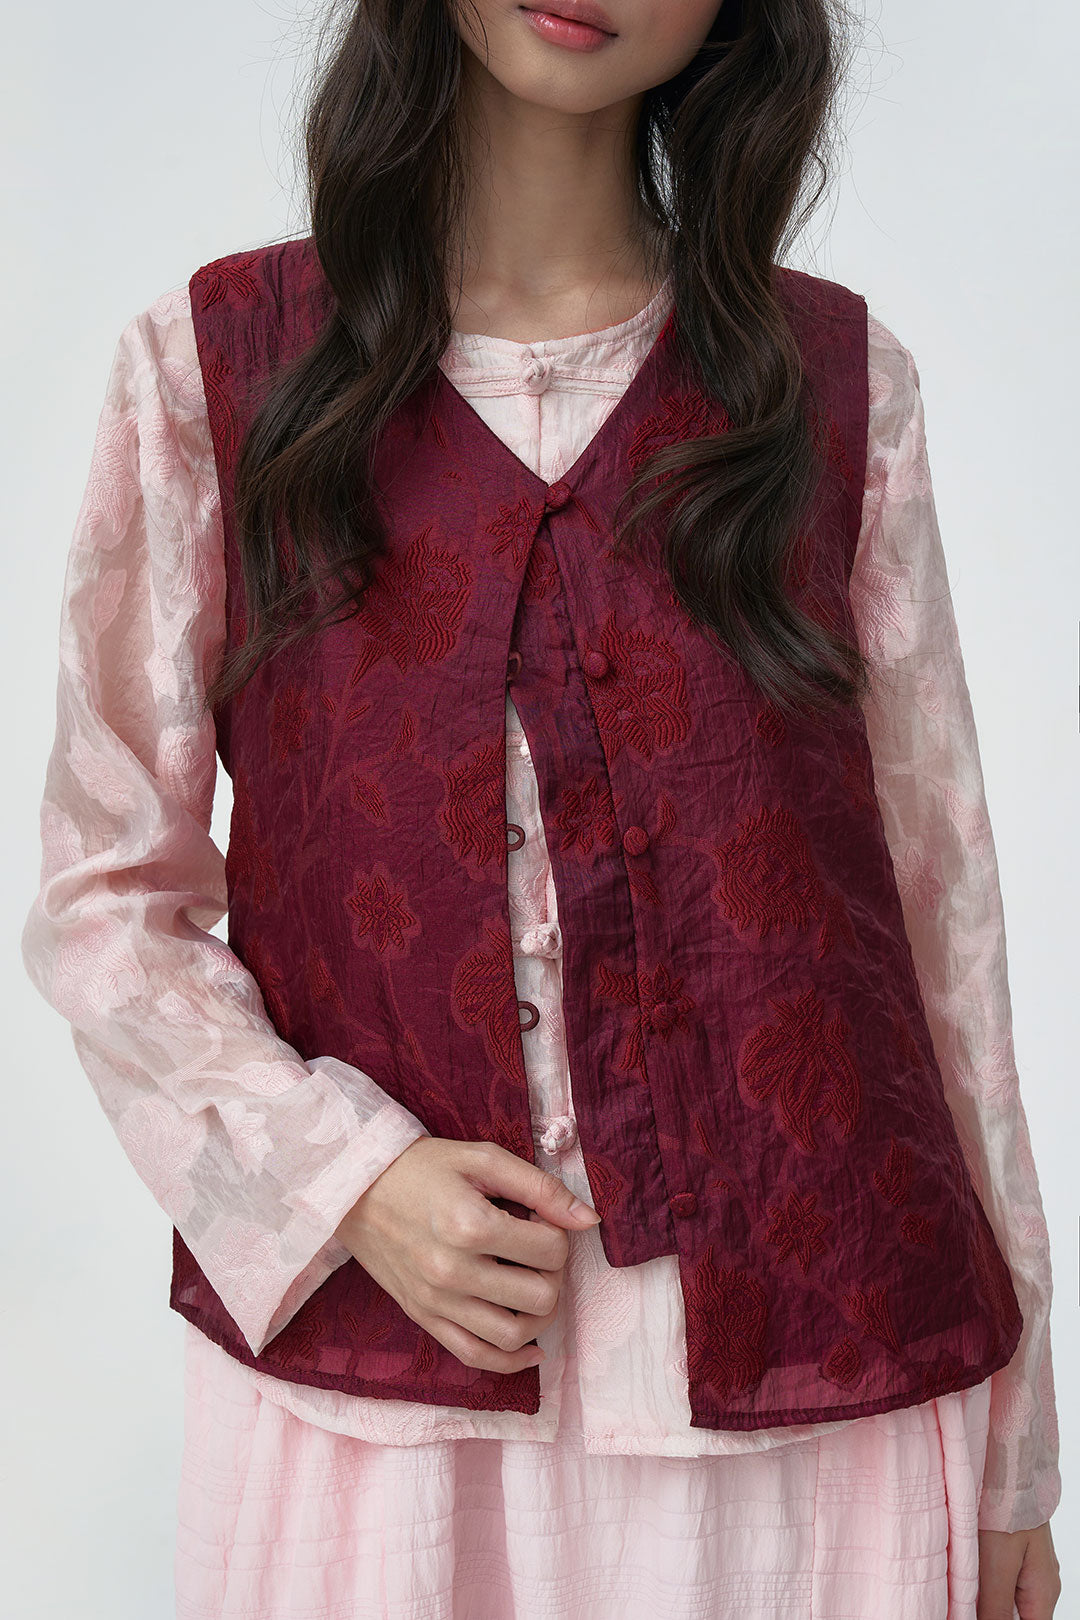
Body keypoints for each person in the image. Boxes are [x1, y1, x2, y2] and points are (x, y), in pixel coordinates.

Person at [22, 2, 1062, 1616]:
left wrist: (1018, 1456)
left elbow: (940, 928)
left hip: (826, 1410)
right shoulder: (209, 374)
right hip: (378, 1403)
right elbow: (106, 899)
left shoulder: (838, 387)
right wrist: (347, 1179)